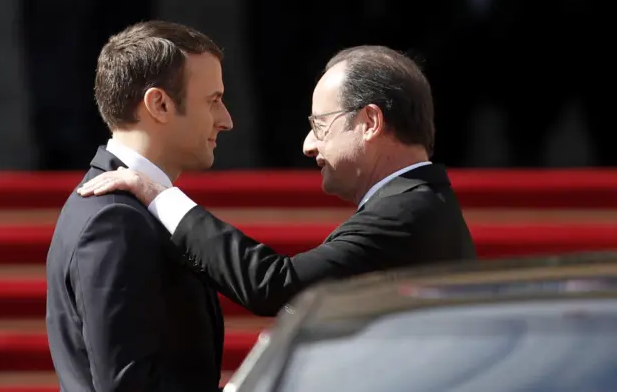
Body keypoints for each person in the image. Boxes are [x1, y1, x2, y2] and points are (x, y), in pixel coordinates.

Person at [78, 45, 476, 317]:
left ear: (369, 122)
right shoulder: (418, 204)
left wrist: (160, 196)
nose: (307, 146)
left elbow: (276, 285)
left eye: (320, 126)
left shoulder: (406, 211)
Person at [46, 20, 233, 391]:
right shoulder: (114, 220)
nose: (226, 120)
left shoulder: (124, 209)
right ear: (159, 104)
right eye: (213, 101)